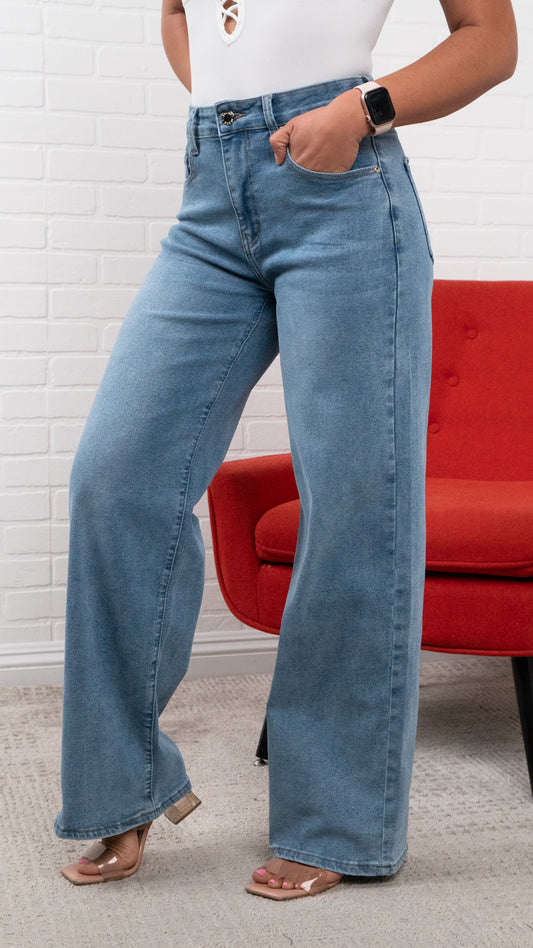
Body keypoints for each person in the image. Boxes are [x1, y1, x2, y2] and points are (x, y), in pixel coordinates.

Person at [55, 0, 517, 899]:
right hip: (210, 196)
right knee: (114, 478)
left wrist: (359, 111)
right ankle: (120, 784)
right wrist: (228, 113)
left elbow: (490, 41)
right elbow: (180, 14)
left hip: (345, 195)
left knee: (354, 507)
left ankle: (335, 820)